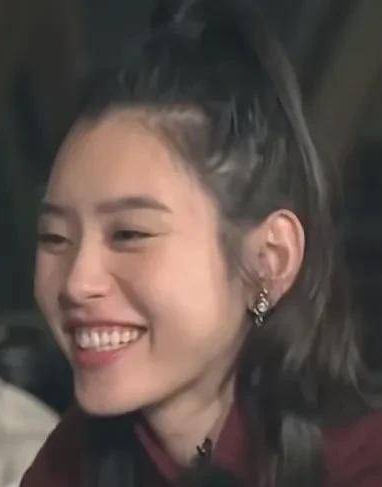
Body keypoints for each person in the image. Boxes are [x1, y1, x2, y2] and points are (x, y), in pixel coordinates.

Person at [20, 0, 382, 485]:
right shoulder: (71, 461)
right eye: (55, 237)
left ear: (268, 260)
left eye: (129, 234)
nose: (76, 283)